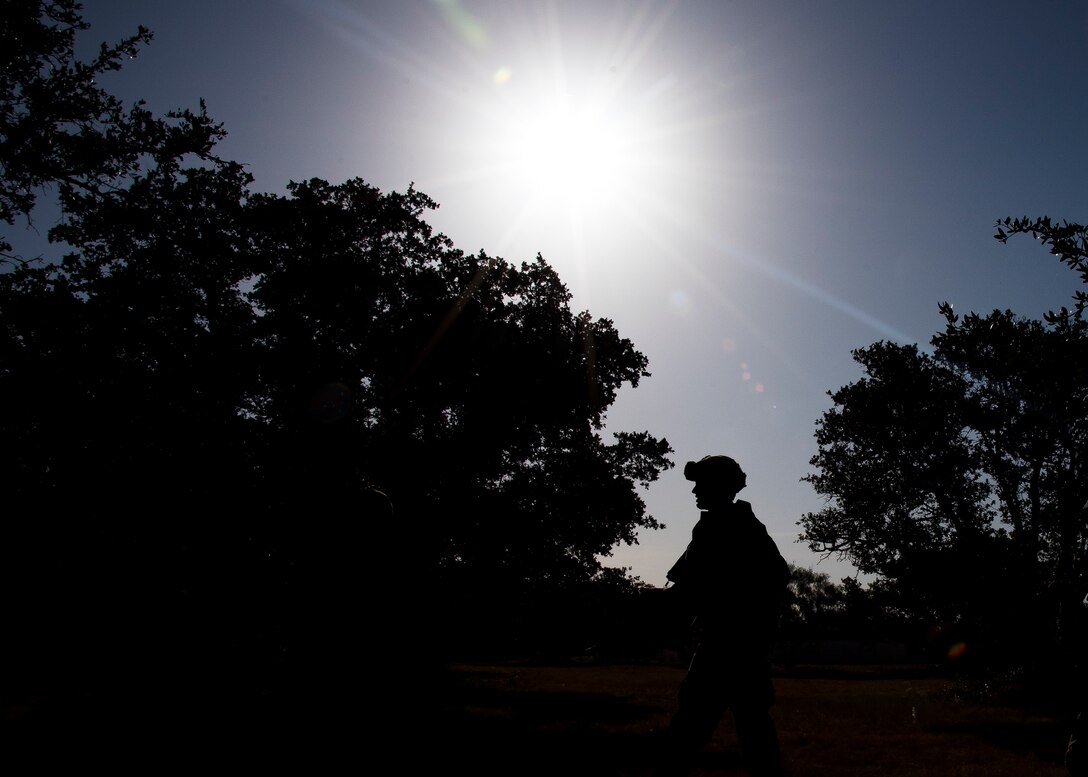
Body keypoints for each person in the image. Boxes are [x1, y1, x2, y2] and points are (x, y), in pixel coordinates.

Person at [654, 455, 791, 777]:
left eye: (701, 484)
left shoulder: (727, 525)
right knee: (750, 725)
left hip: (729, 644)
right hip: (739, 643)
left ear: (720, 486)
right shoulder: (724, 523)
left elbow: (773, 576)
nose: (695, 491)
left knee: (693, 725)